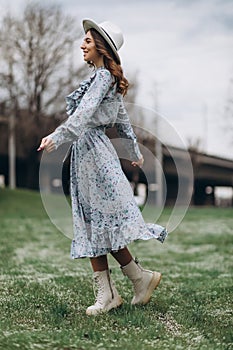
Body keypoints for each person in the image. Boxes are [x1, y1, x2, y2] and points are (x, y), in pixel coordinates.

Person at [38, 19, 168, 316]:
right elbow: (121, 118)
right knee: (94, 223)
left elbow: (84, 114)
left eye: (87, 40)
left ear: (101, 46)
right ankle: (133, 282)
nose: (82, 45)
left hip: (93, 154)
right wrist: (135, 151)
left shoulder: (103, 79)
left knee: (97, 222)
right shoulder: (103, 78)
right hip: (88, 153)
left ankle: (123, 287)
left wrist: (57, 136)